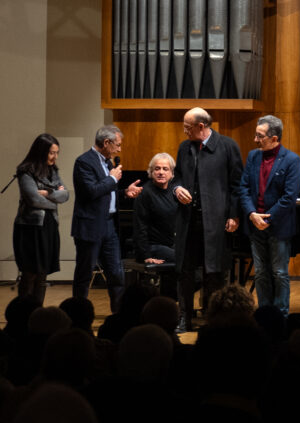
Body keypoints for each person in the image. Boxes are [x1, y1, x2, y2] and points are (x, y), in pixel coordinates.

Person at [172, 108, 243, 331]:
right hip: (188, 220)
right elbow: (178, 179)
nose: (184, 131)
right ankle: (184, 317)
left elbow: (237, 184)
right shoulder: (184, 148)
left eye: (187, 127)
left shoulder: (228, 146)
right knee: (184, 271)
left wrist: (233, 214)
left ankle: (214, 319)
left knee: (214, 272)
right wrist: (177, 189)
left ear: (201, 126)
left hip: (216, 221)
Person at [71, 125, 142, 312]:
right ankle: (78, 316)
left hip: (109, 226)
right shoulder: (84, 162)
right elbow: (91, 192)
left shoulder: (107, 163)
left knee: (116, 274)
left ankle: (118, 316)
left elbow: (106, 195)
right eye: (117, 145)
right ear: (106, 142)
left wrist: (125, 192)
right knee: (84, 275)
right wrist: (112, 180)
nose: (119, 149)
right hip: (90, 227)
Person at [240, 115, 300, 316]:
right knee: (260, 273)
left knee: (279, 273)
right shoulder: (253, 156)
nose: (255, 139)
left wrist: (266, 218)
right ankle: (264, 314)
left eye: (260, 136)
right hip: (255, 224)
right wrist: (252, 214)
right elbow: (244, 188)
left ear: (274, 138)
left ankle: (281, 315)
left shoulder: (291, 159)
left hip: (278, 225)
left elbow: (289, 197)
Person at [14, 134, 68, 303]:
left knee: (42, 274)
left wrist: (48, 193)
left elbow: (65, 195)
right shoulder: (26, 171)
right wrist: (54, 199)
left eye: (57, 152)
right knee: (30, 273)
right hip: (31, 227)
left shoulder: (53, 171)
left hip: (49, 225)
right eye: (52, 153)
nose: (55, 157)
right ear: (41, 151)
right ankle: (23, 313)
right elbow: (33, 199)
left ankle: (38, 313)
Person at [132, 153, 179, 297]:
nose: (161, 172)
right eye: (157, 168)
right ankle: (164, 302)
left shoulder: (175, 191)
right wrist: (145, 255)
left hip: (171, 245)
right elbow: (140, 227)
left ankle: (167, 302)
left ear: (172, 173)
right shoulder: (144, 193)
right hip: (153, 247)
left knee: (195, 264)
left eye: (165, 169)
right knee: (184, 262)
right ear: (151, 172)